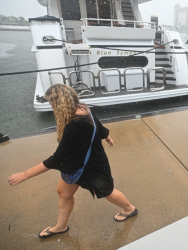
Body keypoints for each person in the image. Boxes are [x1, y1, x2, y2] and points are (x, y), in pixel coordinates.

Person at [8, 84, 137, 238]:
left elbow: (58, 158)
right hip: (75, 164)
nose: (51, 106)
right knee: (63, 193)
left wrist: (25, 174)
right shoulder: (82, 108)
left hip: (91, 166)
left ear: (59, 103)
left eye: (51, 103)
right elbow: (97, 124)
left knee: (106, 191)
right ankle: (61, 226)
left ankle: (129, 209)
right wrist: (106, 136)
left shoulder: (76, 123)